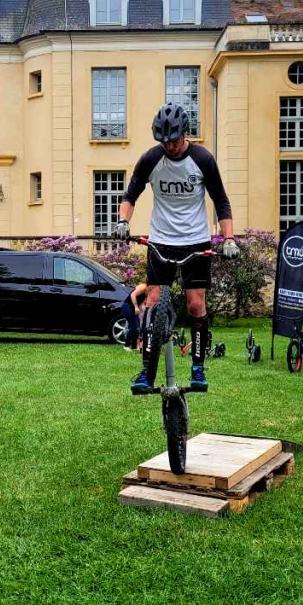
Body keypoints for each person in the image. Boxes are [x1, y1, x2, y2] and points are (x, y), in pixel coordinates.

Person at [113, 102, 238, 394]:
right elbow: (131, 194)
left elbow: (221, 201)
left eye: (173, 140)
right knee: (153, 303)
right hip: (161, 240)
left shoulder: (203, 159)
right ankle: (146, 371)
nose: (168, 146)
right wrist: (122, 221)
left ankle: (197, 367)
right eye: (163, 141)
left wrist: (229, 239)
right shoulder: (151, 159)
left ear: (185, 133)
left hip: (195, 240)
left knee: (196, 303)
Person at [120, 282, 147, 351]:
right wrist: (135, 307)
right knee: (134, 327)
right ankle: (126, 345)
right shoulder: (143, 287)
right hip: (127, 306)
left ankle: (134, 346)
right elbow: (133, 295)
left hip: (133, 309)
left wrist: (142, 313)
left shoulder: (148, 293)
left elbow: (142, 304)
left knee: (137, 328)